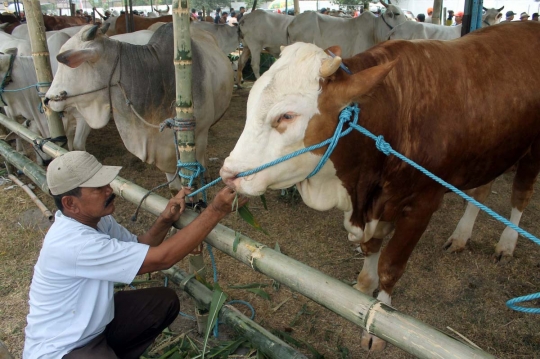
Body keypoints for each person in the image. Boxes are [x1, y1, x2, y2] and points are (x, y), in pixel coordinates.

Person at [23, 151, 247, 359]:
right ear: (70, 203)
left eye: (105, 183)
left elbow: (140, 245)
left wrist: (165, 220)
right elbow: (161, 259)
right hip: (62, 349)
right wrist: (216, 210)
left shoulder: (96, 220)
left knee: (162, 302)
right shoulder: (74, 244)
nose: (108, 190)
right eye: (97, 188)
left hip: (92, 328)